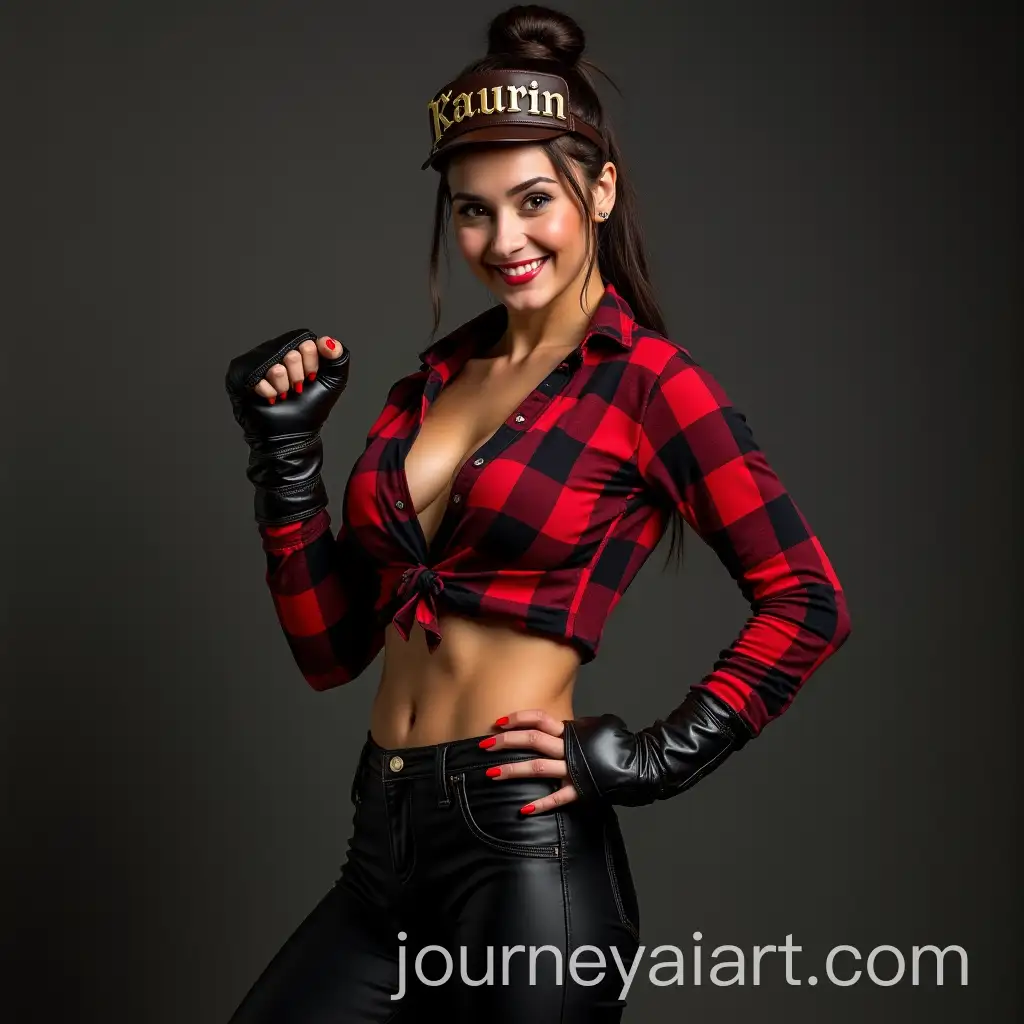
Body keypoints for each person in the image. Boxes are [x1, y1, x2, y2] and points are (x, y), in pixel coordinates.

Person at [222, 5, 851, 1021]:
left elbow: (807, 601)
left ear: (598, 190)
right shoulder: (423, 386)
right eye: (473, 210)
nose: (502, 239)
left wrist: (650, 757)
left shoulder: (648, 384)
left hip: (523, 857)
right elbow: (330, 651)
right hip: (379, 845)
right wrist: (284, 459)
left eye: (532, 201)